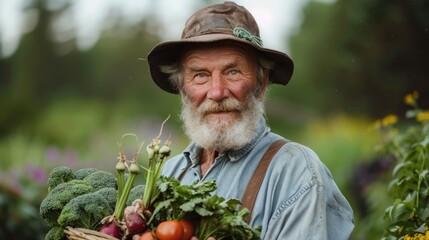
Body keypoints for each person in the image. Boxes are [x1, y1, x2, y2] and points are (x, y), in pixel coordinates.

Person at [147, 1, 354, 239]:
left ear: (261, 84)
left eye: (232, 72)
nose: (217, 92)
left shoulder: (296, 173)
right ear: (183, 90)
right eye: (201, 75)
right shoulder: (170, 174)